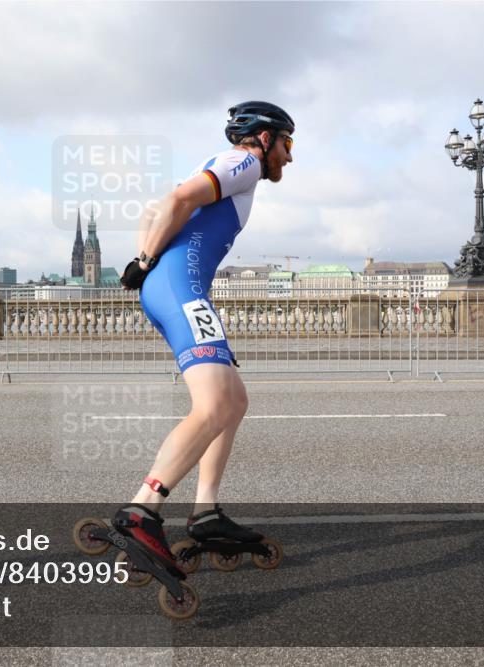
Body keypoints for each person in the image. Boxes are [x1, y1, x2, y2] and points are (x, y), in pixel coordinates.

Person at [116, 101, 294, 573]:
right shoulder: (245, 162)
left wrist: (145, 259)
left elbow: (156, 207)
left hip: (177, 288)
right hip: (181, 288)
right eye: (287, 144)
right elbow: (177, 203)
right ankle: (142, 510)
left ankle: (206, 511)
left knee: (233, 401)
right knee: (213, 405)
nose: (289, 157)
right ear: (264, 138)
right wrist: (147, 261)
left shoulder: (227, 163)